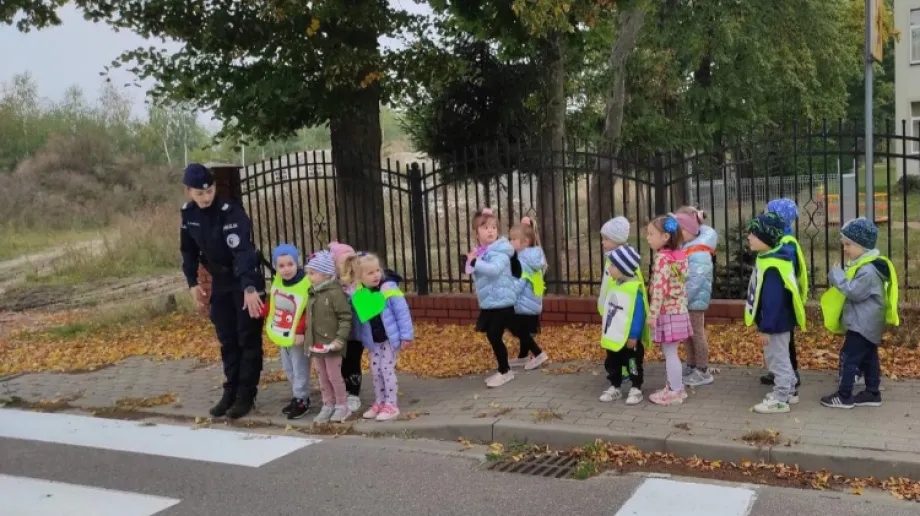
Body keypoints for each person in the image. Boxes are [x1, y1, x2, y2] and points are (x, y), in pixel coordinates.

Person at [180, 163, 264, 419]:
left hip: (243, 280)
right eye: (200, 193)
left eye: (210, 191)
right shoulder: (189, 214)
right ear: (188, 192)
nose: (206, 197)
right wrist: (192, 283)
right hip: (221, 283)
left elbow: (244, 253)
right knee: (227, 339)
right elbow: (188, 251)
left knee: (246, 339)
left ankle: (246, 395)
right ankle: (230, 391)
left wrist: (250, 288)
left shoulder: (230, 212)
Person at [820, 218, 899, 409]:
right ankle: (872, 393)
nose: (845, 249)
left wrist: (837, 275)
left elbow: (853, 292)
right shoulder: (867, 265)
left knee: (848, 358)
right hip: (867, 323)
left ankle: (844, 395)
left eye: (848, 244)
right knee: (869, 358)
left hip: (861, 325)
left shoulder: (868, 271)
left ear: (862, 246)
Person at [744, 213, 806, 414]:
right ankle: (788, 391)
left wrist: (765, 328)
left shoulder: (773, 267)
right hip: (780, 321)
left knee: (777, 360)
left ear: (767, 238)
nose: (749, 237)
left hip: (776, 323)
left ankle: (780, 399)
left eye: (754, 234)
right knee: (781, 357)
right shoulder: (770, 258)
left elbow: (773, 301)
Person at [344, 252, 414, 421]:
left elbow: (402, 312)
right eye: (370, 273)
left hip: (390, 339)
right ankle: (380, 402)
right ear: (360, 277)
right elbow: (360, 318)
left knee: (386, 369)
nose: (376, 275)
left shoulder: (389, 289)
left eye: (377, 270)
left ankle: (391, 404)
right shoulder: (359, 294)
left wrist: (406, 336)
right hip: (374, 341)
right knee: (375, 371)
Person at [466, 207, 518, 388]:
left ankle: (505, 371)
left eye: (494, 227)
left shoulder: (501, 251)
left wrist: (475, 262)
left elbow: (494, 270)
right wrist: (472, 262)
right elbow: (474, 273)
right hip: (490, 302)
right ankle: (505, 368)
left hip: (502, 301)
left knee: (495, 335)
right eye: (485, 227)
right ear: (476, 232)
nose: (490, 230)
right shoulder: (483, 252)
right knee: (492, 335)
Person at [260, 244, 311, 419]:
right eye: (281, 266)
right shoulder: (279, 281)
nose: (286, 269)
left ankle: (302, 399)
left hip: (297, 336)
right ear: (275, 267)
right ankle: (298, 396)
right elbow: (276, 303)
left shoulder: (305, 282)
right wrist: (264, 311)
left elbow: (306, 310)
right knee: (289, 368)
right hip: (283, 332)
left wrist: (300, 331)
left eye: (290, 264)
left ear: (297, 263)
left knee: (299, 368)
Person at [761, 198, 807, 390]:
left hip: (783, 298)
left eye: (767, 212)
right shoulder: (782, 238)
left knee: (784, 341)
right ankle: (780, 373)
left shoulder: (784, 242)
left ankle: (790, 375)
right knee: (780, 341)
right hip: (784, 298)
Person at [645, 215, 691, 406]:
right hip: (679, 309)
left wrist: (652, 314)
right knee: (672, 352)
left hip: (667, 312)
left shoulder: (663, 259)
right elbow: (682, 282)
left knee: (670, 353)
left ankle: (675, 390)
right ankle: (675, 386)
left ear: (665, 237)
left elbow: (659, 288)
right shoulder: (680, 256)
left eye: (650, 234)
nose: (647, 237)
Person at [303, 250, 353, 423]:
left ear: (325, 273)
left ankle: (341, 405)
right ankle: (328, 404)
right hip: (317, 344)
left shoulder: (334, 293)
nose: (309, 277)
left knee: (334, 375)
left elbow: (345, 317)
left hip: (332, 344)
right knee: (322, 376)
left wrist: (340, 339)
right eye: (308, 273)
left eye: (312, 273)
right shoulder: (312, 292)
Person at [598, 245, 648, 406]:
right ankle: (615, 386)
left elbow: (638, 314)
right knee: (612, 362)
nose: (609, 268)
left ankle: (636, 387)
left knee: (632, 363)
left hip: (629, 339)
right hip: (614, 335)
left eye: (612, 265)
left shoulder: (634, 290)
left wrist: (634, 335)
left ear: (622, 268)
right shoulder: (615, 285)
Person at [675, 207, 717, 387]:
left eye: (680, 231)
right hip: (687, 300)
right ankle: (691, 365)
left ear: (689, 230)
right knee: (688, 335)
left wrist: (682, 298)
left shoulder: (698, 251)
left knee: (697, 335)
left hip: (694, 301)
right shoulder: (689, 247)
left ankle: (703, 370)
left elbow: (696, 281)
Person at [508, 217, 550, 370]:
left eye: (513, 239)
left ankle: (538, 353)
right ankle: (523, 356)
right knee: (523, 330)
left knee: (518, 329)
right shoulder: (532, 256)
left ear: (525, 242)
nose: (510, 242)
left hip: (523, 302)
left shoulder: (523, 260)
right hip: (531, 301)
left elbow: (519, 282)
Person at [598, 216, 636, 383]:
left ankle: (625, 370)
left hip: (618, 308)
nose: (603, 242)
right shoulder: (611, 259)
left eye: (606, 239)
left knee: (619, 341)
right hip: (610, 306)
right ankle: (618, 369)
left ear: (617, 240)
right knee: (612, 340)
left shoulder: (622, 261)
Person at [329, 241, 363, 413]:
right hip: (339, 333)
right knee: (340, 364)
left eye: (351, 260)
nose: (348, 265)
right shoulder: (332, 284)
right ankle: (342, 392)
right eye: (343, 261)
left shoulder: (360, 282)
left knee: (354, 362)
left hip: (357, 332)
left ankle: (354, 393)